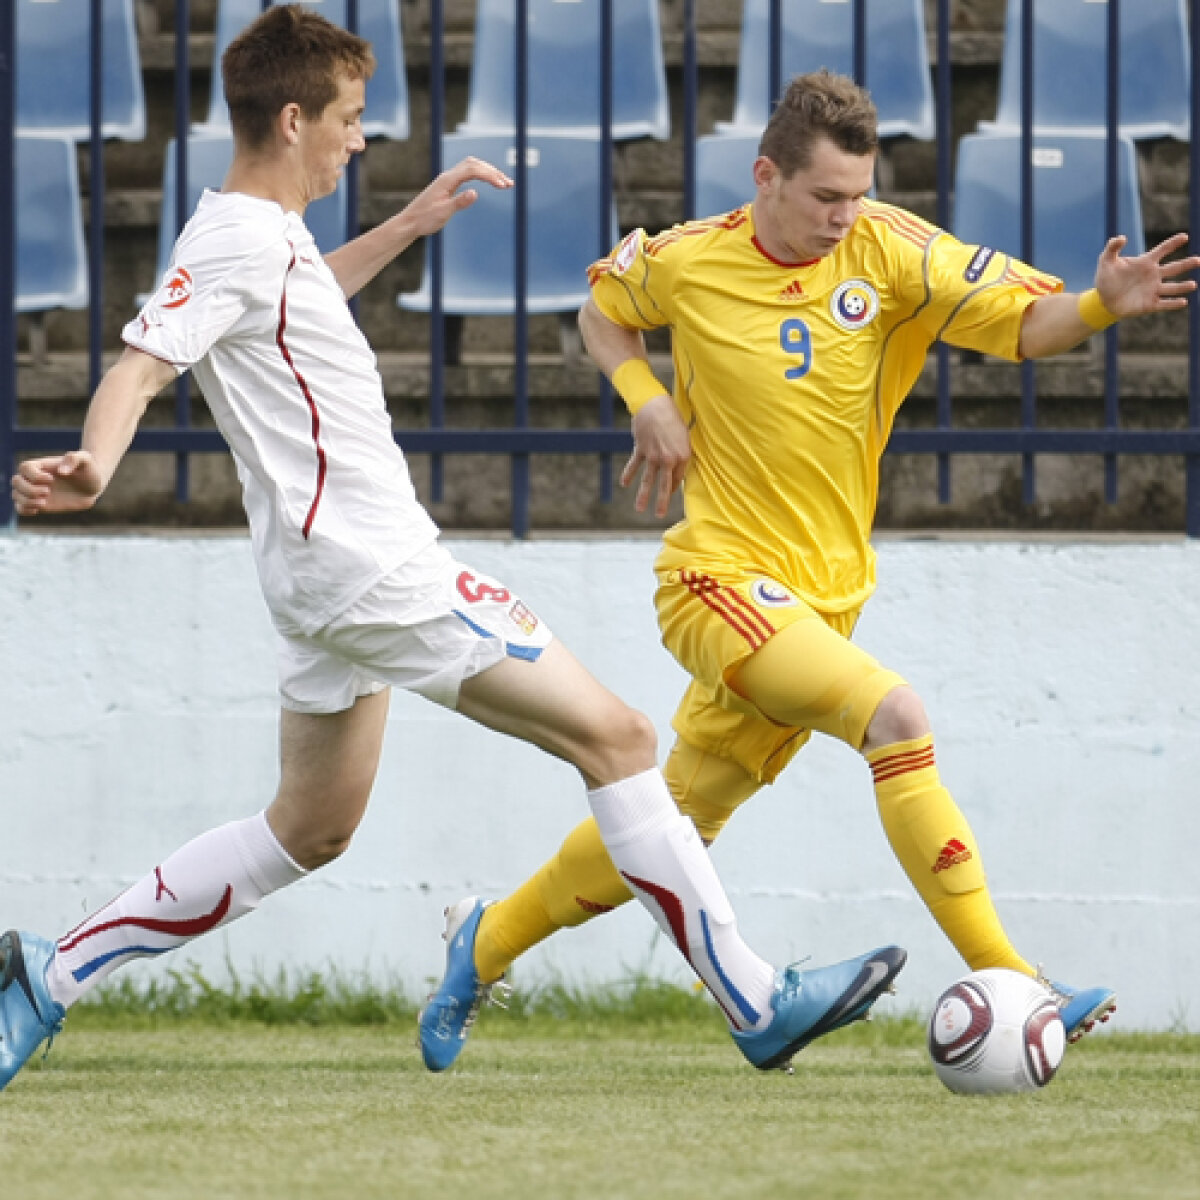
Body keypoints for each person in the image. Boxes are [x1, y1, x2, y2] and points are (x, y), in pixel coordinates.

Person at [0, 12, 909, 1092]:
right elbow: (143, 363)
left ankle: (45, 979)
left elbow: (289, 298)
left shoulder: (262, 235)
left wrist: (409, 226)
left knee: (308, 829)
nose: (358, 141)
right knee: (619, 738)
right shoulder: (237, 239)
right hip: (378, 570)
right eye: (346, 121)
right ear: (293, 121)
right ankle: (756, 1001)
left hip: (319, 582)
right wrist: (99, 462)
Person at [419, 69, 1200, 1071]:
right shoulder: (689, 258)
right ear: (767, 178)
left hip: (823, 601)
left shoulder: (895, 250)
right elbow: (603, 310)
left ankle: (478, 944)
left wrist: (1098, 303)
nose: (845, 216)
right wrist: (642, 395)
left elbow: (1023, 325)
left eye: (857, 195)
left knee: (667, 828)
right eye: (826, 196)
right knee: (898, 718)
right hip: (713, 579)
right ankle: (1018, 980)